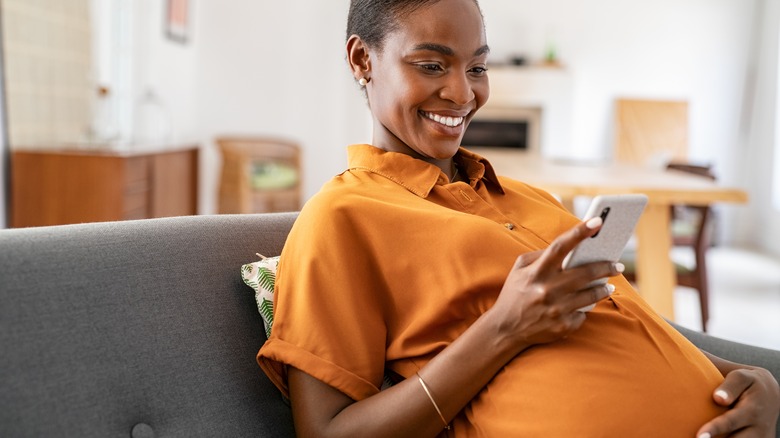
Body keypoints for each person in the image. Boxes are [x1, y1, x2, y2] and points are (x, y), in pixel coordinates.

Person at [258, 0, 780, 436]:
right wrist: (502, 330)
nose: (464, 94)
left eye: (478, 67)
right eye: (432, 65)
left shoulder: (533, 199)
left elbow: (630, 331)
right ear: (362, 59)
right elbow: (328, 432)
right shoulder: (341, 217)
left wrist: (747, 379)